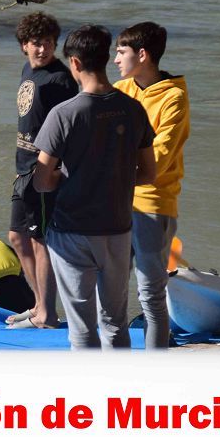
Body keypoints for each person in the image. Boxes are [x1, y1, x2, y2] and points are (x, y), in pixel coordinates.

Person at [33, 25, 156, 350]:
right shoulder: (134, 109)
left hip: (72, 230)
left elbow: (42, 181)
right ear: (105, 58)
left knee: (82, 330)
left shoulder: (64, 114)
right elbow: (148, 173)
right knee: (115, 323)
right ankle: (120, 394)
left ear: (74, 63)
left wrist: (69, 176)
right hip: (117, 229)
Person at [114, 22, 190, 350]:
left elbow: (157, 161)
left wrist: (106, 173)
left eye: (122, 52)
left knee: (150, 296)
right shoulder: (122, 89)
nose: (115, 59)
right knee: (111, 292)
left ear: (142, 55)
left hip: (153, 205)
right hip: (116, 202)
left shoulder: (174, 98)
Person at [6, 13, 78, 329]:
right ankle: (38, 305)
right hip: (23, 169)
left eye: (49, 43)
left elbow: (70, 128)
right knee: (17, 237)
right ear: (24, 45)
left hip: (44, 171)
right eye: (37, 43)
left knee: (40, 240)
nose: (43, 49)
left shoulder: (60, 79)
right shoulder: (29, 70)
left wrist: (57, 171)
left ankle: (47, 314)